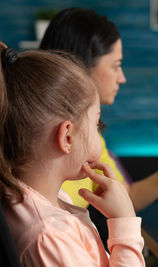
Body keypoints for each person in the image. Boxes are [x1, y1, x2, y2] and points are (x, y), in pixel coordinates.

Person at [39, 7, 158, 212]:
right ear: (82, 65)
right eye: (116, 65)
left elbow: (125, 198)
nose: (122, 78)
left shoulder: (88, 136)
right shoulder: (32, 142)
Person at [0, 43, 145, 266]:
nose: (99, 133)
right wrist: (124, 220)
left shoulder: (46, 202)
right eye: (98, 125)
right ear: (67, 136)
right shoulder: (49, 238)